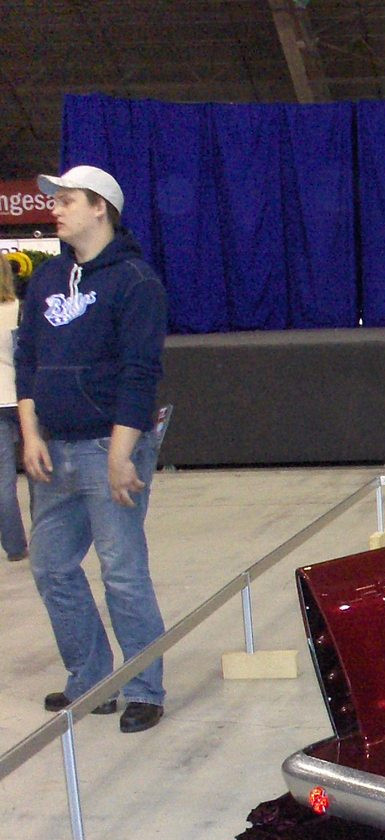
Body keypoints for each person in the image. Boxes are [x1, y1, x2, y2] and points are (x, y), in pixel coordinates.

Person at [14, 165, 168, 732]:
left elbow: (140, 373)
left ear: (100, 207)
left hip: (110, 445)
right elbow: (27, 360)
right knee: (52, 567)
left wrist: (121, 453)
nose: (54, 208)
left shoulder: (135, 282)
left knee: (122, 570)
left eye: (67, 200)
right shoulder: (49, 279)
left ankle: (145, 685)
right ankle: (92, 679)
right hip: (53, 450)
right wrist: (30, 434)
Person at [0, 259, 25, 561]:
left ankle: (15, 546)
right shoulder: (18, 311)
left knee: (4, 482)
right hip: (22, 397)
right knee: (40, 475)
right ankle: (46, 538)